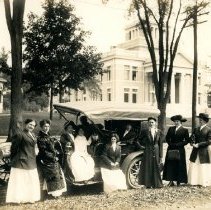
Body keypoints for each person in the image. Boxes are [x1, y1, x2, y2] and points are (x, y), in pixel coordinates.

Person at [6, 119, 40, 203]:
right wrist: (14, 158)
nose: (31, 126)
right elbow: (14, 148)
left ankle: (29, 198)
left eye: (33, 125)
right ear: (25, 124)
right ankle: (18, 199)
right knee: (20, 181)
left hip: (31, 160)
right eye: (30, 124)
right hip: (21, 161)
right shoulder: (20, 134)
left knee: (30, 180)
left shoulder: (32, 134)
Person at [37, 119, 66, 198]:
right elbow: (43, 151)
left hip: (52, 158)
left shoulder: (48, 135)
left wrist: (56, 153)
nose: (46, 128)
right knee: (53, 174)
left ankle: (57, 192)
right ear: (41, 127)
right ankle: (54, 193)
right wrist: (53, 157)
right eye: (44, 126)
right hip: (45, 159)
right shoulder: (41, 138)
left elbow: (52, 147)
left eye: (48, 126)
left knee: (58, 173)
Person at [163, 115, 189, 186]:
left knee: (179, 164)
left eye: (177, 121)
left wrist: (178, 144)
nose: (176, 123)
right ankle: (171, 181)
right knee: (171, 164)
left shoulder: (185, 130)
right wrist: (170, 144)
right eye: (175, 121)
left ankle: (179, 181)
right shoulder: (171, 129)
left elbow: (187, 141)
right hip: (171, 148)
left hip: (180, 149)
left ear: (180, 122)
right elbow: (167, 138)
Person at [138, 117, 163, 188]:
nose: (151, 123)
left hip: (156, 150)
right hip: (148, 151)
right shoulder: (145, 131)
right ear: (148, 123)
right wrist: (143, 147)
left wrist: (161, 155)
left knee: (156, 167)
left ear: (155, 123)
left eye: (152, 122)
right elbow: (138, 140)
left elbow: (160, 144)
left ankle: (157, 184)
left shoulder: (159, 131)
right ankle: (148, 184)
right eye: (150, 122)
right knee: (148, 167)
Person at [188, 113, 211, 187]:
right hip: (195, 150)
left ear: (205, 121)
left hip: (203, 150)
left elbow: (209, 141)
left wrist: (199, 144)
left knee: (202, 166)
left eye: (201, 119)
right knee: (195, 164)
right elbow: (192, 137)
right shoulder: (196, 129)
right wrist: (192, 142)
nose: (200, 121)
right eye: (199, 119)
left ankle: (203, 182)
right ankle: (194, 181)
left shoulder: (209, 130)